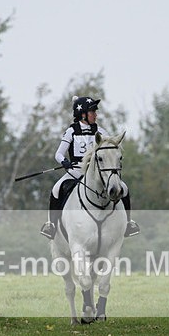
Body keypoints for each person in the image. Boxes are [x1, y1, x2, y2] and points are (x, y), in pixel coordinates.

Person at [40, 96, 140, 239]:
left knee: (124, 188)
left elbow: (108, 149)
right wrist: (65, 162)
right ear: (83, 114)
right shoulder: (71, 131)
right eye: (92, 111)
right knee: (56, 188)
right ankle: (52, 225)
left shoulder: (100, 131)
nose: (96, 114)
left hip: (95, 173)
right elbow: (58, 154)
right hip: (76, 171)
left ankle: (129, 223)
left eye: (95, 111)